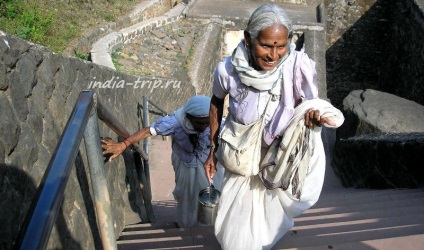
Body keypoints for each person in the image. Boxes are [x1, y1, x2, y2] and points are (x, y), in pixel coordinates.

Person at [203, 3, 344, 250]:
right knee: (234, 221)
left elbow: (310, 104)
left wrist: (313, 117)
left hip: (277, 157)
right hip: (241, 154)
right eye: (266, 45)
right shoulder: (228, 70)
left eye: (281, 46)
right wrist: (212, 149)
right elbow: (216, 103)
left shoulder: (299, 66)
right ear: (249, 38)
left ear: (289, 41)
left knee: (266, 216)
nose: (273, 54)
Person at [102, 95, 224, 228]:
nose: (204, 126)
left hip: (208, 161)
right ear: (188, 117)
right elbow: (147, 131)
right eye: (199, 123)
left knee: (212, 193)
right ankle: (189, 224)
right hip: (185, 162)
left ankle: (211, 225)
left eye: (207, 123)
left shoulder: (217, 122)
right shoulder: (175, 122)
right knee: (187, 195)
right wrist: (123, 145)